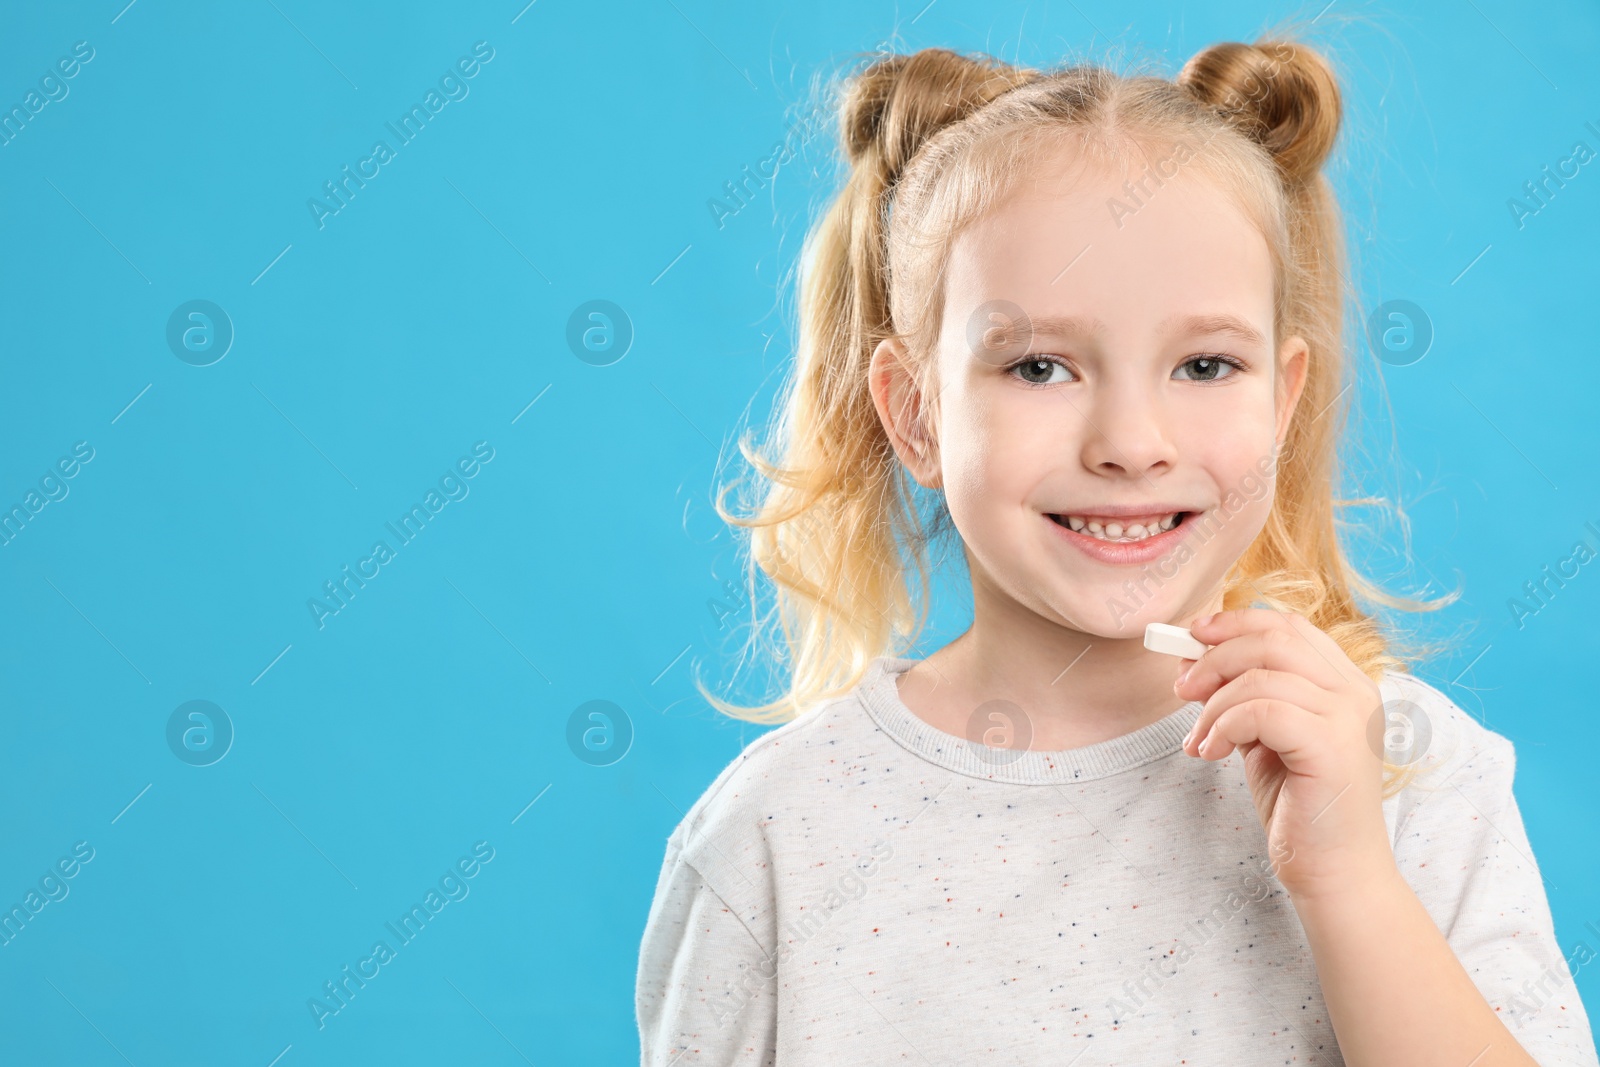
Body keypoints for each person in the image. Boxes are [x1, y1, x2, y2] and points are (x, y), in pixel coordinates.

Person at [635, 32, 1600, 1067]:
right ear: (914, 415)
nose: (1132, 444)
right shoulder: (776, 833)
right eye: (1040, 365)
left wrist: (1350, 881)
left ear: (1282, 399)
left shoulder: (1402, 769)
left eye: (1203, 362)